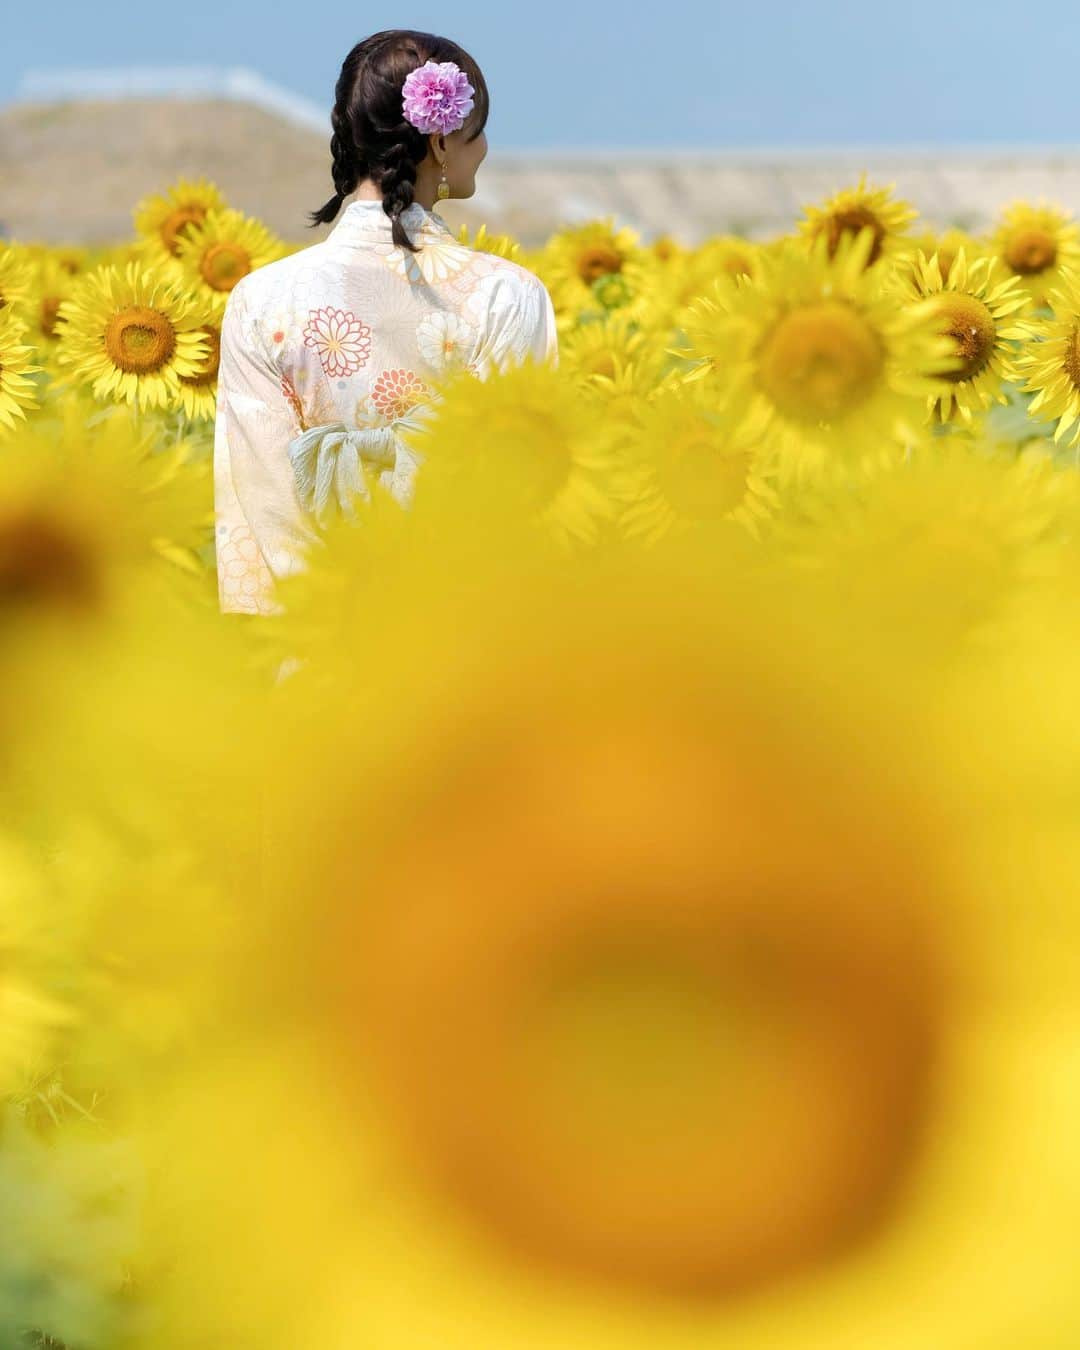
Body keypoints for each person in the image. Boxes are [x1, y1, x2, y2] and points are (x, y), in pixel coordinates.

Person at [213, 29, 559, 616]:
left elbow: (262, 510)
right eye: (479, 130)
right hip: (464, 646)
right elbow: (526, 494)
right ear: (442, 139)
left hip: (317, 650)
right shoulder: (508, 297)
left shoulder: (261, 300)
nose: (485, 148)